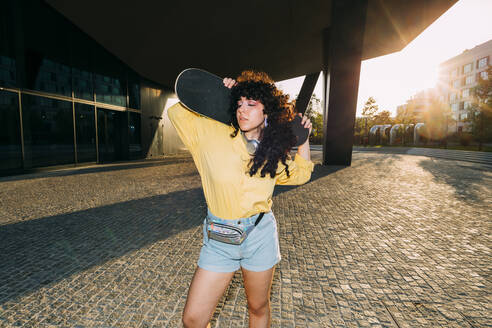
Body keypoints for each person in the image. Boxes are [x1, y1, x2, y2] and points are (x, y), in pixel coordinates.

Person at [167, 70, 314, 328]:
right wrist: (219, 97)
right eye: (239, 104)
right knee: (192, 319)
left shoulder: (271, 152)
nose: (242, 110)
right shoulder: (210, 134)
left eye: (251, 104)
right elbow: (177, 112)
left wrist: (303, 139)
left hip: (259, 236)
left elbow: (300, 174)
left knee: (257, 307)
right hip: (219, 240)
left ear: (266, 111)